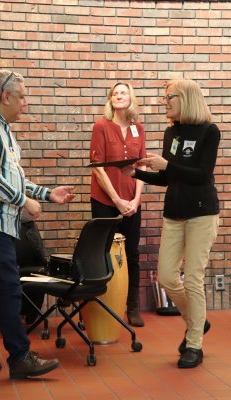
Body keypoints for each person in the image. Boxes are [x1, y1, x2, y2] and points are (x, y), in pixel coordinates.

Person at [0, 69, 75, 379]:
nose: (26, 103)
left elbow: (12, 178)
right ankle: (20, 357)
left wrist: (47, 194)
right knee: (8, 287)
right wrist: (25, 202)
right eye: (22, 96)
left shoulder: (1, 127)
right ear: (6, 96)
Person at [128, 79, 220, 369]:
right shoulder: (172, 133)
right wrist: (137, 173)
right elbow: (170, 179)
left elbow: (202, 174)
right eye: (165, 97)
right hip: (175, 213)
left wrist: (167, 165)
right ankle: (197, 320)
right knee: (167, 277)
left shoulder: (209, 131)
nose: (164, 102)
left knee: (193, 277)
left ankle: (194, 344)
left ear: (187, 98)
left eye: (170, 97)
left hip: (202, 213)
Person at [89, 82, 147, 327]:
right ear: (110, 99)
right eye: (115, 93)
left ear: (131, 98)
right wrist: (116, 200)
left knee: (132, 255)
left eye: (123, 92)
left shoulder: (138, 128)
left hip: (132, 202)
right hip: (105, 200)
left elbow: (142, 165)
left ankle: (132, 307)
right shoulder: (101, 126)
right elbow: (98, 168)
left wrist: (135, 200)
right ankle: (100, 305)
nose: (119, 96)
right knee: (102, 254)